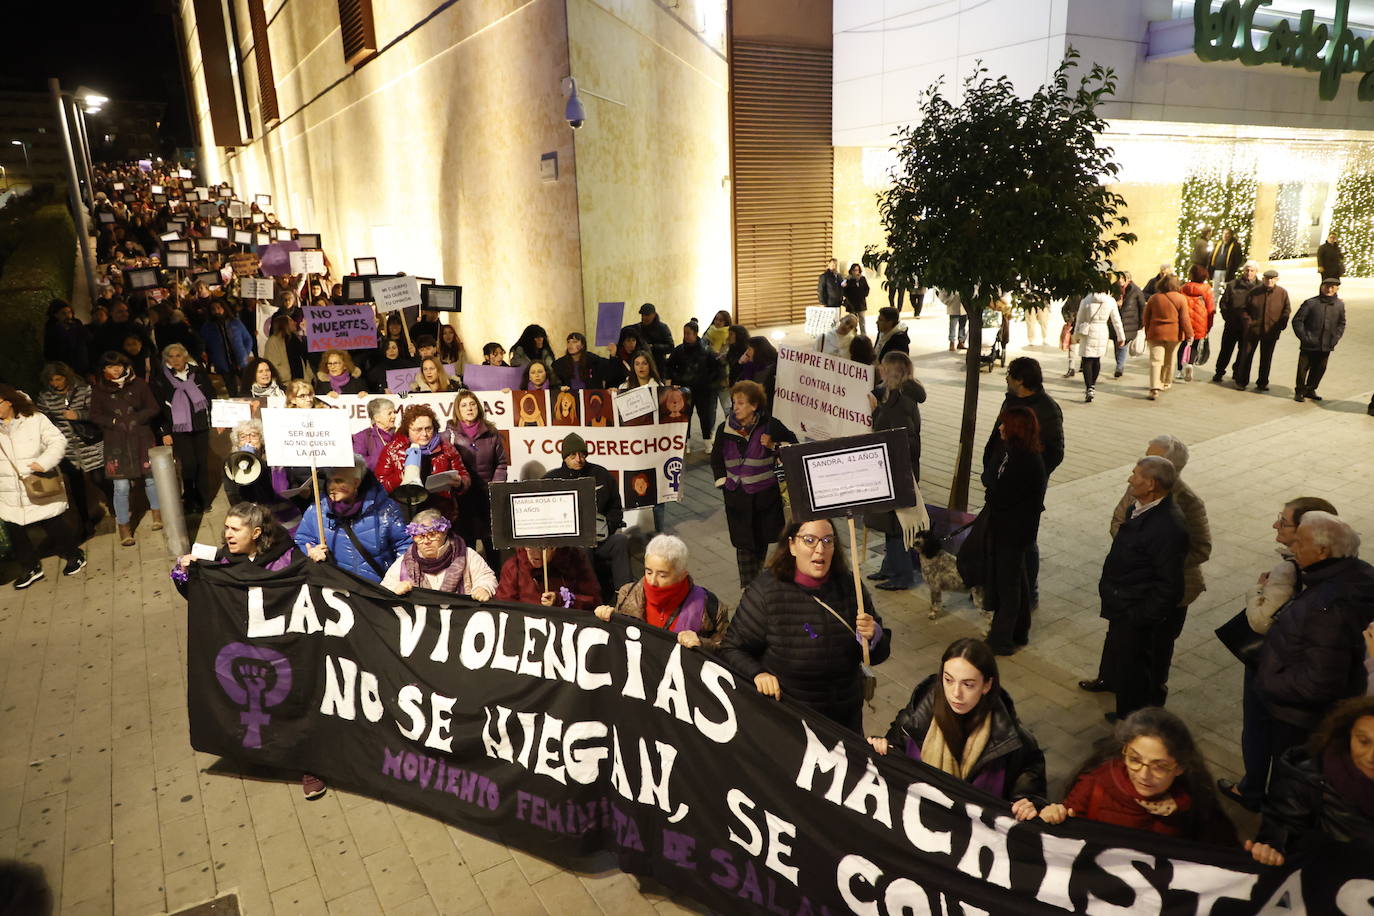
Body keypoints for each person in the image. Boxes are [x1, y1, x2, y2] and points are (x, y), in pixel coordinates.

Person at [1220, 498, 1339, 812]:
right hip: (1306, 670)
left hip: (1271, 665)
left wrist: (1257, 590)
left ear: (1304, 532)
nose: (1275, 525)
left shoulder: (1288, 570)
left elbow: (1260, 622)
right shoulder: (1340, 567)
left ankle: (1251, 790)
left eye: (1283, 522)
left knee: (1258, 727)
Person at [720, 518, 891, 732]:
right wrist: (757, 673)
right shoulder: (765, 592)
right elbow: (731, 648)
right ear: (792, 545)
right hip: (792, 723)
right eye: (810, 540)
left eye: (827, 540)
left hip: (845, 721)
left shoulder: (850, 585)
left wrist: (874, 637)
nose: (820, 549)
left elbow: (878, 654)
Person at [1083, 436, 1211, 703]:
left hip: (1163, 593)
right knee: (1118, 638)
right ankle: (1110, 679)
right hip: (1130, 586)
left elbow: (1202, 549)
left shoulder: (1188, 503)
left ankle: (1149, 705)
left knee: (1155, 652)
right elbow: (1119, 519)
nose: (1140, 464)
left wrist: (1153, 558)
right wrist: (1131, 549)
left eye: (1151, 457)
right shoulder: (1138, 489)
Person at [869, 639, 1046, 818]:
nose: (956, 693)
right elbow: (895, 744)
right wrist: (882, 746)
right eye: (948, 680)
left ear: (986, 685)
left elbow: (1031, 792)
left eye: (968, 685)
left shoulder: (1011, 737)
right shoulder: (920, 709)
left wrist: (1031, 805)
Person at [1254, 512, 1374, 776]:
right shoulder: (1357, 573)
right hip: (1313, 715)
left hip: (1299, 721)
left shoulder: (1327, 608)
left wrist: (1268, 681)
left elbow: (1318, 683)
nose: (1293, 547)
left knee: (1290, 781)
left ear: (1322, 551)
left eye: (1300, 542)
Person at [1040, 708, 1237, 845]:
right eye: (1134, 759)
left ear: (1180, 767)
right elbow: (1064, 836)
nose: (1144, 775)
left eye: (1160, 766)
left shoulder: (1198, 803)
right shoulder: (1093, 785)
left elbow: (1224, 853)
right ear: (1123, 750)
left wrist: (1251, 858)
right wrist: (1053, 817)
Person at [1096, 456, 1190, 722]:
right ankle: (1125, 715)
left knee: (1135, 674)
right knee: (1126, 669)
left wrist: (1140, 616)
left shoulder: (1168, 526)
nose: (1130, 478)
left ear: (1151, 484)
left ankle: (1133, 725)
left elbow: (1170, 584)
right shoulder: (1139, 509)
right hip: (1124, 604)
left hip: (1135, 612)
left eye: (1136, 474)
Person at [1246, 696, 1374, 867]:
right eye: (1363, 742)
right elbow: (1278, 833)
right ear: (1348, 734)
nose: (1371, 757)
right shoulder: (1306, 783)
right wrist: (1270, 850)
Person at [981, 357, 1061, 606]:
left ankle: (1028, 591)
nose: (1006, 378)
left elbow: (1055, 453)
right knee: (1002, 541)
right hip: (1001, 483)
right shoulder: (1011, 400)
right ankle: (1000, 588)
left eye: (1009, 374)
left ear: (1021, 380)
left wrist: (1028, 475)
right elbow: (998, 437)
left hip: (1025, 493)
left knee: (1025, 542)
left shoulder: (1047, 410)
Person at [711, 380, 798, 587]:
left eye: (741, 403)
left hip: (764, 499)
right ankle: (749, 588)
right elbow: (716, 458)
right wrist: (722, 481)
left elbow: (793, 446)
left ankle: (757, 585)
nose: (735, 407)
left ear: (754, 405)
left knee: (760, 544)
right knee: (744, 546)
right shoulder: (725, 428)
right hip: (737, 499)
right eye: (734, 402)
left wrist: (773, 445)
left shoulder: (770, 425)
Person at [0, 384, 87, 588]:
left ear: (9, 402)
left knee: (52, 522)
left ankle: (74, 554)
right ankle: (30, 568)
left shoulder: (34, 419)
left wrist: (44, 462)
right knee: (14, 527)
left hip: (37, 480)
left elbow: (57, 440)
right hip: (8, 488)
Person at [980, 408, 1048, 655]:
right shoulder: (1012, 452)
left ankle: (1001, 639)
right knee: (1017, 579)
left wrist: (992, 489)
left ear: (1016, 429)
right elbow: (990, 479)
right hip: (1009, 528)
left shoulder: (1025, 460)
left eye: (1004, 425)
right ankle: (1019, 631)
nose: (1000, 428)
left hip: (1014, 531)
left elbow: (1000, 492)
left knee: (1009, 586)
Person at [594, 534, 731, 649]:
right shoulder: (627, 594)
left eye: (662, 575)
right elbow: (618, 637)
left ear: (681, 575)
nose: (652, 581)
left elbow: (726, 649)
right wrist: (607, 619)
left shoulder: (711, 607)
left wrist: (701, 644)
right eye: (648, 572)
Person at [294, 456, 412, 584]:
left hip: (378, 587)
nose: (331, 486)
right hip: (337, 587)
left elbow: (404, 545)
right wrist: (311, 551)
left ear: (356, 483)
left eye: (338, 481)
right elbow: (302, 541)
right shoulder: (317, 510)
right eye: (329, 481)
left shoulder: (385, 509)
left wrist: (397, 578)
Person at [864, 352, 927, 591]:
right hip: (892, 470)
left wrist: (875, 414)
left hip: (898, 472)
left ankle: (902, 575)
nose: (879, 369)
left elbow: (902, 441)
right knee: (890, 523)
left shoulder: (902, 402)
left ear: (891, 371)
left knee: (897, 524)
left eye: (883, 366)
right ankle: (890, 567)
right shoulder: (892, 395)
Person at [90, 352, 163, 547]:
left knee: (150, 478)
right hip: (117, 442)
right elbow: (95, 415)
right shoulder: (99, 389)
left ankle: (157, 514)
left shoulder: (138, 384)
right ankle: (123, 526)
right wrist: (114, 422)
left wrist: (137, 418)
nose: (116, 370)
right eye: (110, 366)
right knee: (121, 486)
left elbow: (153, 407)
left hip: (141, 437)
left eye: (119, 365)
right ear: (103, 369)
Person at [544, 433, 631, 595]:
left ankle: (626, 595)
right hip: (568, 544)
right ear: (564, 457)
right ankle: (591, 596)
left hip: (599, 538)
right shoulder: (551, 480)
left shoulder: (601, 474)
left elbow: (615, 508)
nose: (579, 459)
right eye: (573, 455)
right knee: (583, 548)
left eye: (582, 454)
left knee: (620, 541)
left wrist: (608, 526)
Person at [34, 362, 105, 537]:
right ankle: (85, 523)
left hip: (89, 442)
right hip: (67, 448)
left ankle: (115, 508)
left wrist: (78, 415)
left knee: (100, 479)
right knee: (76, 487)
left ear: (67, 377)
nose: (55, 384)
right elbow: (41, 421)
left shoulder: (84, 390)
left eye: (58, 379)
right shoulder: (45, 397)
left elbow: (97, 413)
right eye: (51, 380)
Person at [150, 343, 216, 515]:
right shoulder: (161, 379)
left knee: (201, 463)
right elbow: (159, 408)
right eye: (171, 357)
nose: (175, 360)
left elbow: (211, 396)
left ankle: (204, 500)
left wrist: (217, 419)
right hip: (178, 428)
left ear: (185, 357)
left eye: (178, 355)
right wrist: (165, 432)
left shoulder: (198, 373)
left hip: (200, 425)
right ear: (166, 360)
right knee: (188, 464)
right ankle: (190, 498)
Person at [442, 390, 508, 558]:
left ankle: (496, 574)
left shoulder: (492, 433)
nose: (469, 408)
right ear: (458, 410)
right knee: (466, 546)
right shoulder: (449, 435)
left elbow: (501, 463)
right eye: (464, 405)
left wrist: (495, 487)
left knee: (492, 546)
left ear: (478, 407)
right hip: (462, 497)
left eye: (472, 404)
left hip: (487, 497)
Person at [374, 404, 469, 519]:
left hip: (440, 514)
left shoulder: (447, 448)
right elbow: (379, 484)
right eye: (418, 430)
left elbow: (464, 475)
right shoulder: (392, 450)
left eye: (428, 428)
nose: (424, 434)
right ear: (407, 430)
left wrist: (460, 483)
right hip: (403, 515)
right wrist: (401, 477)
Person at [380, 509, 497, 599]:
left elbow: (486, 577)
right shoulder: (404, 562)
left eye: (432, 535)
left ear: (444, 533)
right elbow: (384, 588)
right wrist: (394, 590)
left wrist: (483, 588)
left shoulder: (466, 555)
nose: (426, 541)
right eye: (420, 536)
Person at [1235, 269, 1291, 391]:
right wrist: (1248, 322)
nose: (1269, 281)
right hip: (1253, 330)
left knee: (1266, 358)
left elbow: (1286, 310)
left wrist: (1281, 325)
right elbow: (1244, 309)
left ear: (1276, 280)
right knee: (1247, 356)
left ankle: (1262, 382)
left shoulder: (1282, 293)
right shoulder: (1254, 292)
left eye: (1272, 279)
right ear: (1263, 279)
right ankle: (1242, 381)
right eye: (1267, 278)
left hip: (1271, 331)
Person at [1291, 277, 1345, 403]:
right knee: (1303, 368)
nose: (1329, 289)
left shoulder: (1339, 305)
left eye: (1332, 287)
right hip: (1309, 343)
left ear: (1337, 289)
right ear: (1321, 287)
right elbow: (1297, 321)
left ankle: (1311, 389)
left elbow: (1341, 323)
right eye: (1327, 287)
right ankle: (1300, 391)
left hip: (1327, 344)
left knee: (1320, 368)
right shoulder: (1311, 303)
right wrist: (1304, 337)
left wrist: (1335, 338)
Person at [495, 545, 602, 610]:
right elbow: (504, 607)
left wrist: (561, 600)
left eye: (541, 548)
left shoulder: (574, 560)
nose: (534, 553)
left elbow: (594, 602)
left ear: (554, 547)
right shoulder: (514, 566)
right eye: (529, 546)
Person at [1141, 274, 1192, 400]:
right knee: (1169, 360)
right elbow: (1184, 319)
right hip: (1174, 334)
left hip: (1155, 333)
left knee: (1155, 361)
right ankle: (1165, 382)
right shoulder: (1181, 299)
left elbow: (1146, 318)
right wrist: (1189, 334)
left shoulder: (1154, 298)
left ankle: (1154, 388)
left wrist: (1147, 332)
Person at [665, 321, 717, 446]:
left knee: (705, 415)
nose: (686, 336)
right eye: (684, 333)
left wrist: (709, 382)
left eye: (688, 333)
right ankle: (686, 441)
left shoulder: (706, 350)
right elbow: (669, 366)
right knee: (685, 415)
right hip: (684, 389)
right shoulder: (679, 350)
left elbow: (715, 368)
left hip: (703, 389)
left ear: (695, 334)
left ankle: (707, 440)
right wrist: (675, 379)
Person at [1212, 260, 1261, 384]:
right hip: (1232, 325)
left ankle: (1237, 372)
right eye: (1247, 270)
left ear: (1256, 272)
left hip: (1248, 327)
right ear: (1243, 271)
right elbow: (1224, 303)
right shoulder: (1233, 285)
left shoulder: (1260, 287)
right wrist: (1228, 318)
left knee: (1243, 352)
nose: (1249, 273)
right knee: (1226, 350)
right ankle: (1219, 371)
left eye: (1252, 271)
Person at [1073, 285, 1124, 402]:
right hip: (1102, 330)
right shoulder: (1110, 301)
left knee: (1087, 360)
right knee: (1096, 359)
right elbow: (1116, 320)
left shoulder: (1086, 300)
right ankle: (1093, 385)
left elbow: (1079, 319)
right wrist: (1121, 336)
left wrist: (1076, 335)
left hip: (1088, 331)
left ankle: (1088, 387)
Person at [200, 299, 254, 396]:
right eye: (213, 309)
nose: (216, 311)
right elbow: (203, 344)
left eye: (218, 308)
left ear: (224, 308)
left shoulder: (235, 322)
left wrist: (245, 354)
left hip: (241, 361)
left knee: (249, 388)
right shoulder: (207, 327)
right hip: (223, 364)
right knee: (232, 391)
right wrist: (210, 356)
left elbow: (248, 339)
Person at [44, 300, 91, 377]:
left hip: (82, 369)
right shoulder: (52, 330)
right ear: (56, 315)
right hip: (64, 370)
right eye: (63, 313)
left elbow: (89, 342)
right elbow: (50, 353)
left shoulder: (77, 325)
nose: (68, 316)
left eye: (69, 312)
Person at [1112, 272, 1146, 378]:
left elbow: (1142, 307)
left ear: (1128, 279)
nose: (1121, 280)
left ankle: (1119, 367)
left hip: (1130, 322)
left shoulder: (1135, 290)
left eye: (1123, 278)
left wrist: (1142, 323)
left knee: (1123, 344)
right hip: (1115, 321)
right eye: (1119, 278)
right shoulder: (1114, 289)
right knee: (1117, 344)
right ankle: (1119, 364)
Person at [626, 303, 675, 369]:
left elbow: (670, 347)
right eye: (643, 315)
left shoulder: (662, 328)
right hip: (641, 364)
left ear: (654, 315)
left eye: (647, 315)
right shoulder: (638, 328)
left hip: (658, 365)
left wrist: (653, 347)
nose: (644, 317)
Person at [263, 312, 307, 384]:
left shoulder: (295, 340)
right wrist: (284, 377)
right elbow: (272, 364)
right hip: (284, 383)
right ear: (284, 324)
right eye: (291, 321)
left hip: (299, 381)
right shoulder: (273, 342)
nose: (295, 323)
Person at [736, 336, 778, 404]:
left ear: (758, 351)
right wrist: (740, 363)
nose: (747, 352)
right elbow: (738, 385)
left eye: (749, 349)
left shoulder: (772, 369)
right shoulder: (750, 366)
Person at [842, 263, 870, 333]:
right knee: (852, 320)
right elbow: (844, 290)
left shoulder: (862, 278)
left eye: (857, 270)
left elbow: (867, 288)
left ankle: (863, 334)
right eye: (854, 270)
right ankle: (853, 334)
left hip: (861, 302)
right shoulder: (848, 279)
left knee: (862, 320)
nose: (855, 272)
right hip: (851, 303)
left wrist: (864, 295)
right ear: (851, 271)